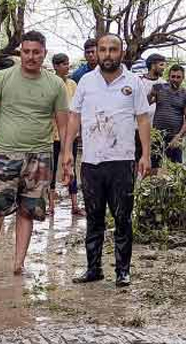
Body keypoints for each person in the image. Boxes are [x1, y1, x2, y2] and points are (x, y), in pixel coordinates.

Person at [0, 30, 69, 278]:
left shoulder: (55, 84)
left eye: (36, 52)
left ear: (44, 53)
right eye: (26, 51)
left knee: (28, 211)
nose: (31, 57)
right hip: (5, 154)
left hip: (40, 156)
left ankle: (19, 264)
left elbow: (64, 125)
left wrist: (67, 157)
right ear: (21, 52)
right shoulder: (3, 78)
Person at [62, 34, 151, 287]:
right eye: (103, 49)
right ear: (96, 53)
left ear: (121, 52)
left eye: (113, 49)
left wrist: (145, 154)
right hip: (91, 162)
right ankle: (93, 269)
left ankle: (123, 271)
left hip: (122, 161)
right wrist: (67, 151)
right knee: (94, 217)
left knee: (123, 217)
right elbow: (74, 117)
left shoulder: (133, 82)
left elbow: (143, 119)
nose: (108, 54)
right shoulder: (86, 82)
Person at [50, 53, 82, 216]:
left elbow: (77, 108)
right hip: (52, 134)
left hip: (71, 133)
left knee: (71, 166)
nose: (67, 67)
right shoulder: (50, 83)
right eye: (63, 64)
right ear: (55, 66)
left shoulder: (72, 84)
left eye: (68, 63)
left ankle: (75, 205)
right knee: (52, 167)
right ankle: (50, 206)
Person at [149, 64, 186, 171]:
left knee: (175, 170)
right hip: (157, 136)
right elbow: (145, 103)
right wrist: (151, 93)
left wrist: (179, 136)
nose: (175, 79)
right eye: (173, 76)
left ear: (183, 78)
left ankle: (171, 188)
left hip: (174, 137)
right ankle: (155, 188)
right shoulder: (160, 89)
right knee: (154, 168)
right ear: (169, 77)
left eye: (178, 77)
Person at [136, 53, 165, 161]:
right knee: (138, 160)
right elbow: (139, 106)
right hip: (139, 130)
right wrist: (151, 94)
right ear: (153, 66)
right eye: (161, 65)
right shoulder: (139, 82)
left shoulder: (164, 84)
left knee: (155, 161)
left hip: (157, 131)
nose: (163, 68)